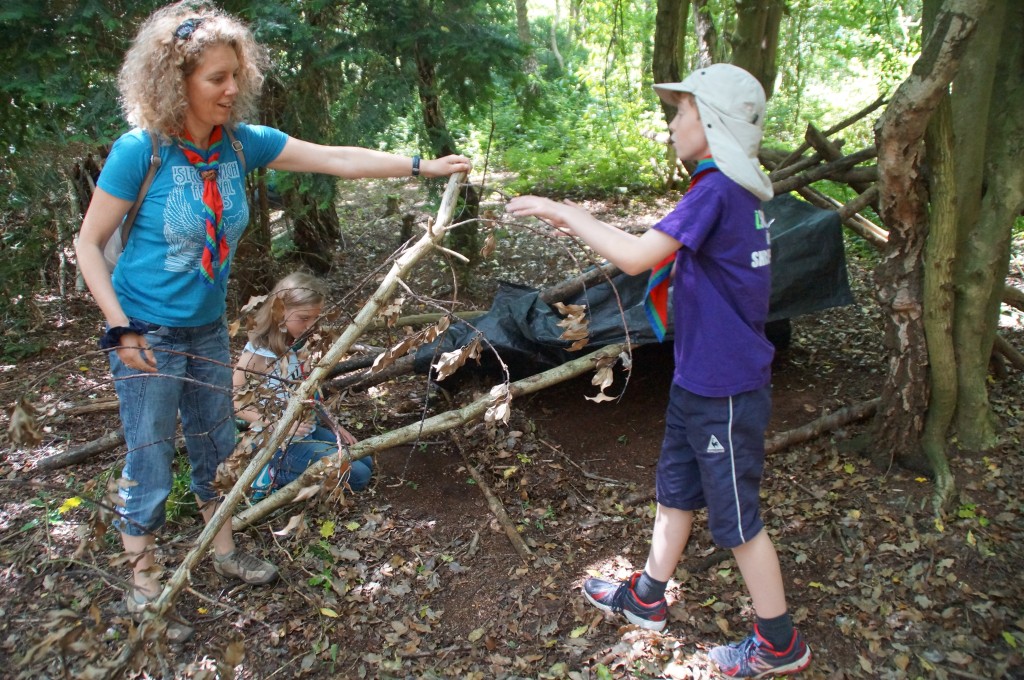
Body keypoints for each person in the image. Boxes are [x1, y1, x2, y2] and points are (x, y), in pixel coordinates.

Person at [75, 1, 471, 644]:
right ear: (176, 82)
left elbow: (336, 158)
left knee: (216, 448)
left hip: (205, 328)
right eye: (216, 78)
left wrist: (423, 166)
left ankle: (223, 549)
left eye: (236, 74)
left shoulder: (240, 145)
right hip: (144, 332)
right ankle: (144, 581)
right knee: (148, 456)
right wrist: (120, 329)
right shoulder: (140, 152)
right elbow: (88, 245)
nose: (233, 89)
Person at [506, 64, 810, 678]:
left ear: (713, 123)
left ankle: (780, 643)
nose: (671, 124)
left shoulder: (718, 191)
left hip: (725, 390)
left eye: (681, 112)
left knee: (738, 523)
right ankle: (646, 598)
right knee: (675, 494)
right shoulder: (723, 190)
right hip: (699, 381)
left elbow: (638, 256)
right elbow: (660, 253)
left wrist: (563, 212)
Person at [233, 271, 372, 499]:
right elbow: (235, 401)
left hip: (308, 432)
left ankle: (296, 470)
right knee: (357, 476)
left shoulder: (300, 346)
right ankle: (270, 476)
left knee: (364, 460)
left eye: (315, 318)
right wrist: (278, 425)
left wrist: (336, 428)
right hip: (278, 444)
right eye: (304, 318)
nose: (310, 325)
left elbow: (310, 395)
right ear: (279, 312)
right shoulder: (257, 354)